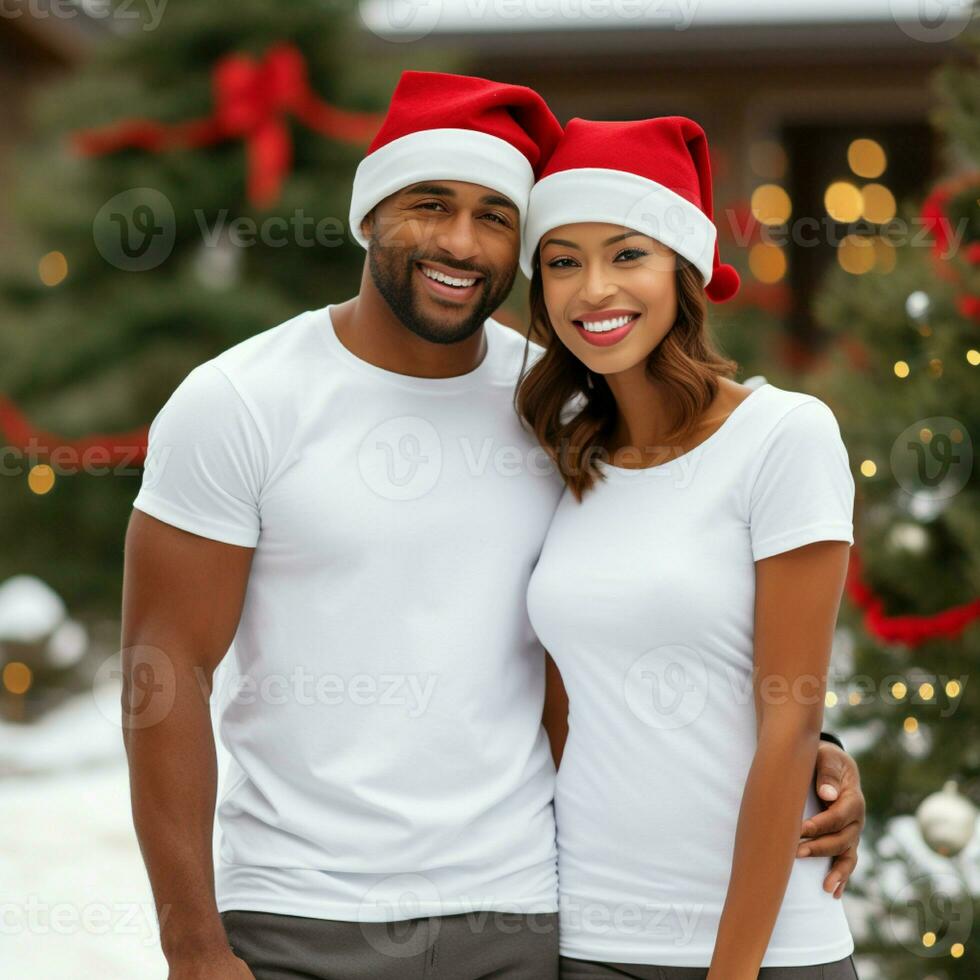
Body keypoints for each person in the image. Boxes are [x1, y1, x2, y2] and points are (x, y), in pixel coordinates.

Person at [121, 73, 864, 980]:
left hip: (522, 918)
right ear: (368, 214)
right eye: (429, 204)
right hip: (295, 915)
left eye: (495, 216)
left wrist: (811, 753)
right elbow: (162, 669)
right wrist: (192, 946)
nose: (460, 242)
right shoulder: (239, 400)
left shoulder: (554, 407)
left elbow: (656, 595)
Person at [517, 116, 862, 979]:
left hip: (763, 948)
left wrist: (732, 971)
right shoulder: (563, 452)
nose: (593, 289)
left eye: (627, 254)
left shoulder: (785, 436)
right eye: (563, 261)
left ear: (684, 269)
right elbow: (564, 705)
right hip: (588, 938)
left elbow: (791, 721)